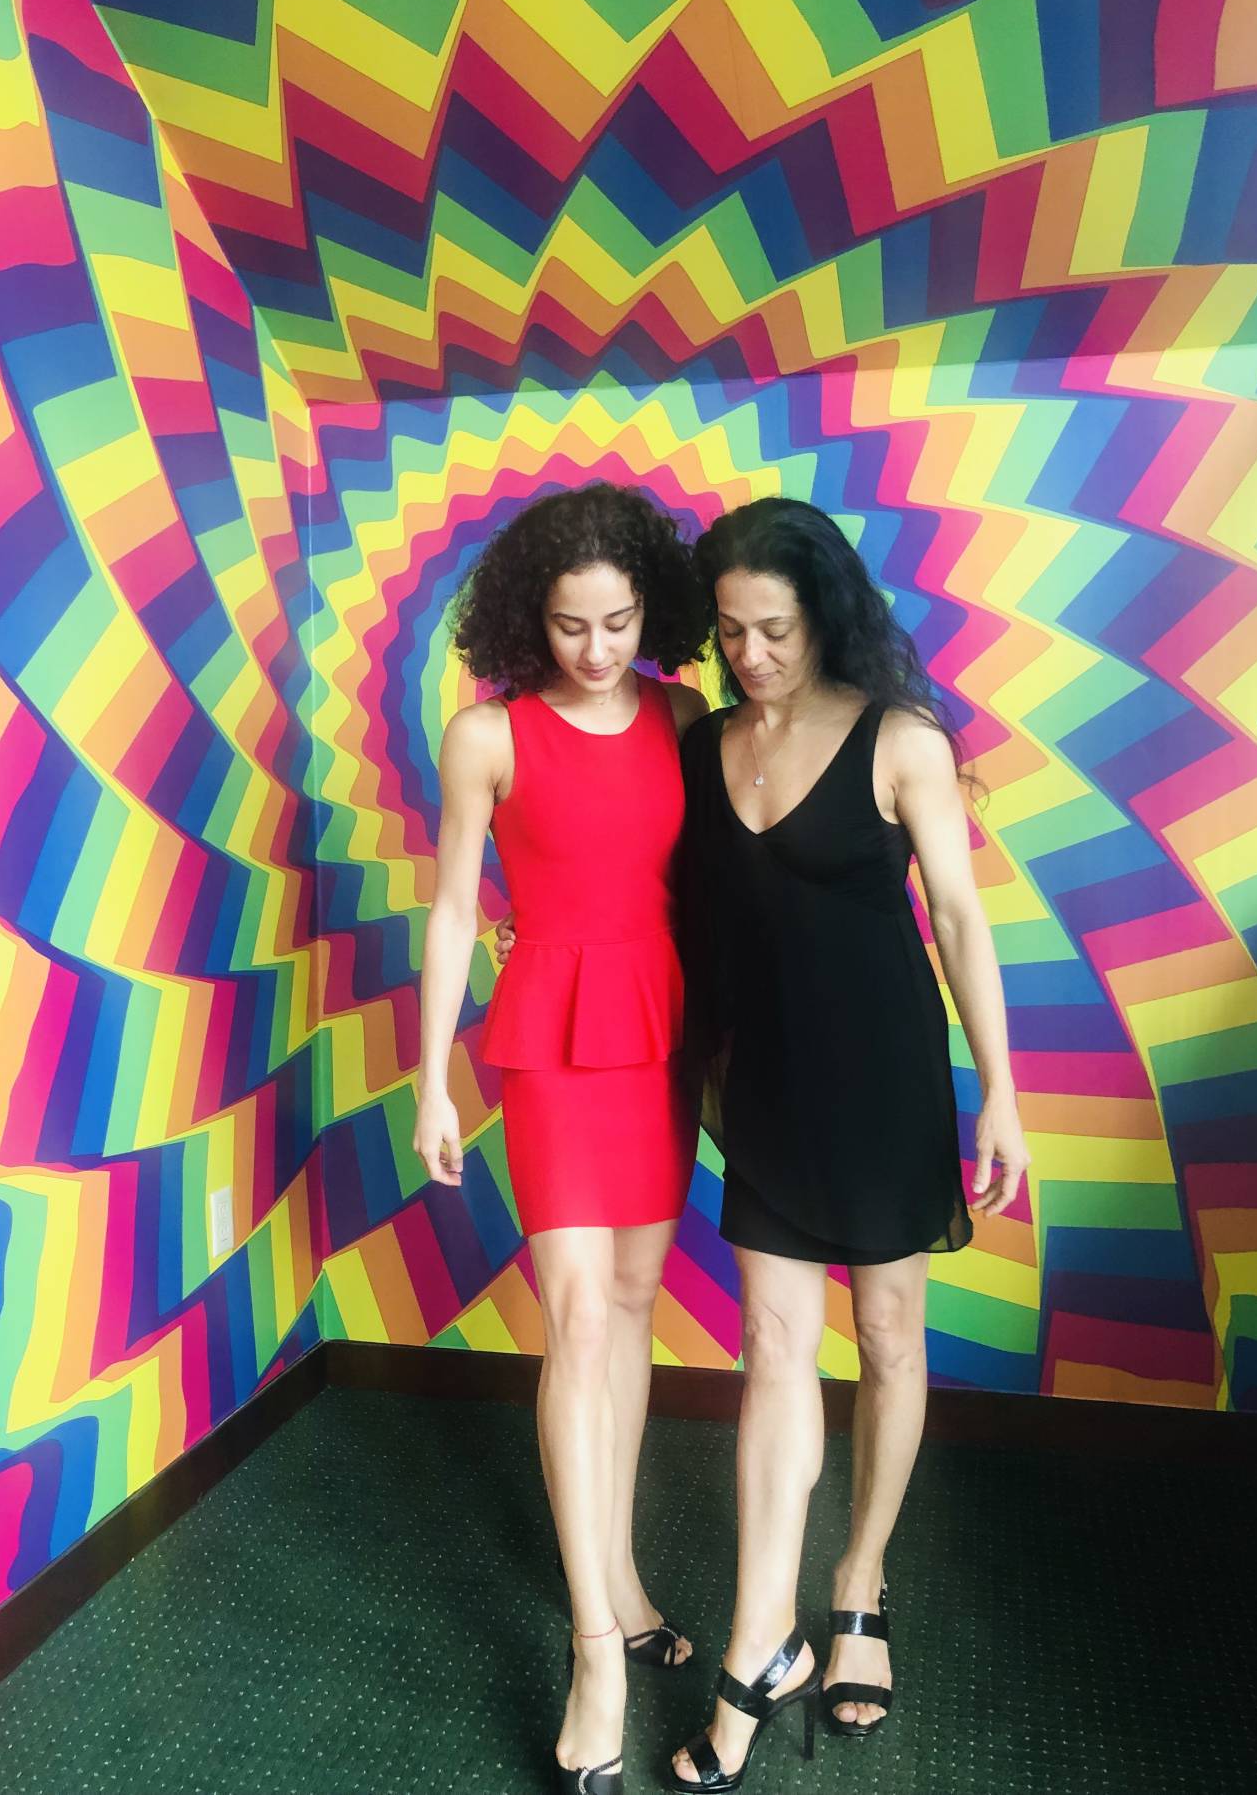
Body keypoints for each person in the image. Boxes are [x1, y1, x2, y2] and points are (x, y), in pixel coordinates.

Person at [667, 498, 1029, 1792]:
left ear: (823, 612)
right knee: (771, 1347)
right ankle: (762, 1633)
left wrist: (1000, 1092)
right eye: (730, 631)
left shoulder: (900, 742)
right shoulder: (701, 742)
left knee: (884, 1339)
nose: (752, 653)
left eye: (773, 628)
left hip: (883, 1086)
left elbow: (961, 923)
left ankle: (859, 1578)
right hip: (757, 1087)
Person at [413, 483, 709, 1795]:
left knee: (635, 1302)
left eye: (618, 621)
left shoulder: (689, 715)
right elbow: (447, 910)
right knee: (581, 1316)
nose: (596, 648)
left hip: (661, 1025)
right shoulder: (485, 734)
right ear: (530, 618)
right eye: (570, 624)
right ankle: (594, 1644)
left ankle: (628, 1577)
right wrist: (432, 1080)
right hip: (548, 1034)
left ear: (650, 608)